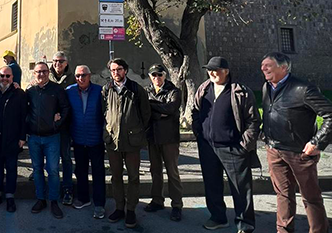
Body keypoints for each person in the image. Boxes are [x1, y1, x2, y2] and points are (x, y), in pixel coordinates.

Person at [260, 52, 331, 233]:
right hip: (274, 150)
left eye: (268, 65)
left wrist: (317, 142)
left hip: (299, 153)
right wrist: (265, 136)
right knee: (283, 194)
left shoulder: (303, 89)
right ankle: (283, 230)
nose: (263, 68)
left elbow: (330, 114)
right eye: (262, 65)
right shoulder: (266, 87)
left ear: (284, 68)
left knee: (310, 197)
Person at [192, 56, 260, 233]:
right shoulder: (204, 89)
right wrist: (199, 134)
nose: (212, 73)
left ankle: (245, 224)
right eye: (209, 70)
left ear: (226, 71)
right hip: (208, 147)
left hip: (233, 148)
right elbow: (195, 111)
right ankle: (217, 217)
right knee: (212, 184)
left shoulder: (240, 91)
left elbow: (253, 120)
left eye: (216, 70)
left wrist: (244, 145)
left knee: (240, 188)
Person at [102, 58, 150, 228]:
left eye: (119, 69)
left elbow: (146, 115)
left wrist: (136, 131)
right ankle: (119, 208)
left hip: (132, 142)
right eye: (113, 70)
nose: (116, 73)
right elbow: (103, 113)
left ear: (126, 70)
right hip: (113, 142)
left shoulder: (137, 89)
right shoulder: (106, 90)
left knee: (133, 177)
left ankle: (131, 210)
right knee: (116, 177)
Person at [26, 61, 70, 219]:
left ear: (48, 73)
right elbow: (25, 110)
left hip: (52, 137)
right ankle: (40, 199)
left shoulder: (57, 89)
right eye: (38, 72)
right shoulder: (30, 91)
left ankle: (53, 201)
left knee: (52, 171)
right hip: (34, 138)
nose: (41, 74)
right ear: (34, 74)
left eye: (44, 71)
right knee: (37, 170)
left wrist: (58, 122)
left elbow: (65, 108)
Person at [144, 64, 184, 222]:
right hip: (152, 136)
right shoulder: (147, 91)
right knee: (155, 170)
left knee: (172, 172)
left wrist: (154, 108)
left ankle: (177, 205)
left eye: (159, 75)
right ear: (150, 77)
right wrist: (158, 113)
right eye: (153, 75)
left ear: (164, 76)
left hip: (169, 138)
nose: (156, 78)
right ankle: (157, 200)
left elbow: (170, 108)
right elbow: (144, 109)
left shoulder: (174, 91)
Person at [0, 66, 27, 212]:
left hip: (12, 138)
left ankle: (10, 196)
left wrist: (22, 137)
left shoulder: (19, 93)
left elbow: (23, 117)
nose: (4, 79)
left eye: (7, 76)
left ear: (12, 78)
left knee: (11, 169)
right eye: (2, 76)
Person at [66, 65, 106, 219]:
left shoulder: (100, 91)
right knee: (80, 171)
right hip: (78, 139)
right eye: (77, 76)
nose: (80, 78)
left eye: (83, 75)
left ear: (90, 76)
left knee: (98, 172)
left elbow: (106, 112)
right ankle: (83, 198)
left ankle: (99, 204)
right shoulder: (69, 91)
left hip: (95, 139)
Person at [48, 51, 75, 205]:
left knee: (65, 158)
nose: (57, 64)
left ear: (66, 63)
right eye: (55, 61)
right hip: (49, 125)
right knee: (50, 158)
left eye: (61, 61)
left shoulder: (73, 78)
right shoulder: (47, 75)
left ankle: (67, 188)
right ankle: (52, 188)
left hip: (65, 125)